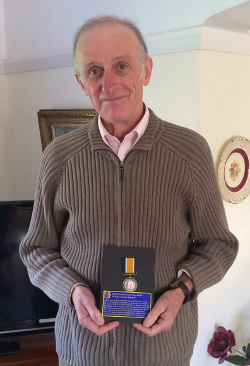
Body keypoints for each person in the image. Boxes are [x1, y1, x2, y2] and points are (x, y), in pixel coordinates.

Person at [20, 16, 238, 366]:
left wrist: (181, 291)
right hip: (82, 352)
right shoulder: (59, 157)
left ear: (146, 71)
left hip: (162, 353)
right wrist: (73, 291)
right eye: (93, 71)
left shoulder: (189, 151)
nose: (108, 83)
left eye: (121, 66)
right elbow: (36, 250)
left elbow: (219, 245)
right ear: (81, 81)